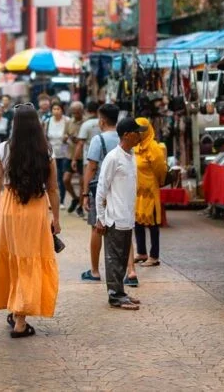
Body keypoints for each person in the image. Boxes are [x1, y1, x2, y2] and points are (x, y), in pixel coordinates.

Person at [0, 104, 61, 338]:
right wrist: (57, 218)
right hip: (36, 209)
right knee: (29, 258)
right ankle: (20, 318)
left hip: (10, 206)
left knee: (13, 256)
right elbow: (53, 188)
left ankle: (17, 312)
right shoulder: (46, 151)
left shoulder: (3, 148)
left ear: (14, 124)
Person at [95, 117, 147, 311]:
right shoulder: (113, 157)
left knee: (123, 256)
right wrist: (101, 217)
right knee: (113, 258)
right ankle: (115, 296)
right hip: (114, 218)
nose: (139, 135)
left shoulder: (130, 155)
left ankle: (121, 292)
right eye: (136, 132)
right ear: (127, 135)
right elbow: (102, 188)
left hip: (127, 216)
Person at [80, 103, 119, 282]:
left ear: (102, 121)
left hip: (100, 190)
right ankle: (129, 271)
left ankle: (95, 271)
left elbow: (91, 167)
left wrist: (85, 194)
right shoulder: (124, 138)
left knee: (97, 227)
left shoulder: (98, 139)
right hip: (119, 189)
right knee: (122, 228)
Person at [133, 118, 168, 266]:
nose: (138, 134)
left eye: (141, 131)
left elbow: (161, 169)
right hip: (137, 192)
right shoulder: (135, 147)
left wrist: (159, 182)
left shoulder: (154, 147)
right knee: (137, 222)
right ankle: (141, 252)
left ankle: (154, 256)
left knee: (152, 224)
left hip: (150, 191)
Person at [73, 100, 100, 218]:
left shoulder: (86, 124)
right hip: (103, 158)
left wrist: (74, 159)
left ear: (87, 111)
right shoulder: (103, 123)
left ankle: (85, 209)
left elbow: (80, 144)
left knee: (86, 183)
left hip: (88, 158)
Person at [45, 101, 71, 210]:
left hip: (64, 152)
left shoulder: (67, 121)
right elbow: (44, 136)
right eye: (54, 109)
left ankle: (62, 200)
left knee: (61, 176)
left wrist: (67, 138)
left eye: (58, 109)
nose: (56, 111)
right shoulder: (48, 121)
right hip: (51, 152)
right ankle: (50, 200)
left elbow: (71, 135)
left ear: (62, 110)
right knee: (51, 176)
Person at [62, 101, 85, 213]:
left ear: (81, 111)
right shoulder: (69, 122)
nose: (75, 115)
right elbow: (64, 136)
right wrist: (66, 138)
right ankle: (75, 198)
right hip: (70, 154)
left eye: (77, 112)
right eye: (73, 113)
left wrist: (79, 140)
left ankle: (80, 205)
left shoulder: (86, 122)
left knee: (82, 182)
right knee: (65, 179)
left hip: (82, 156)